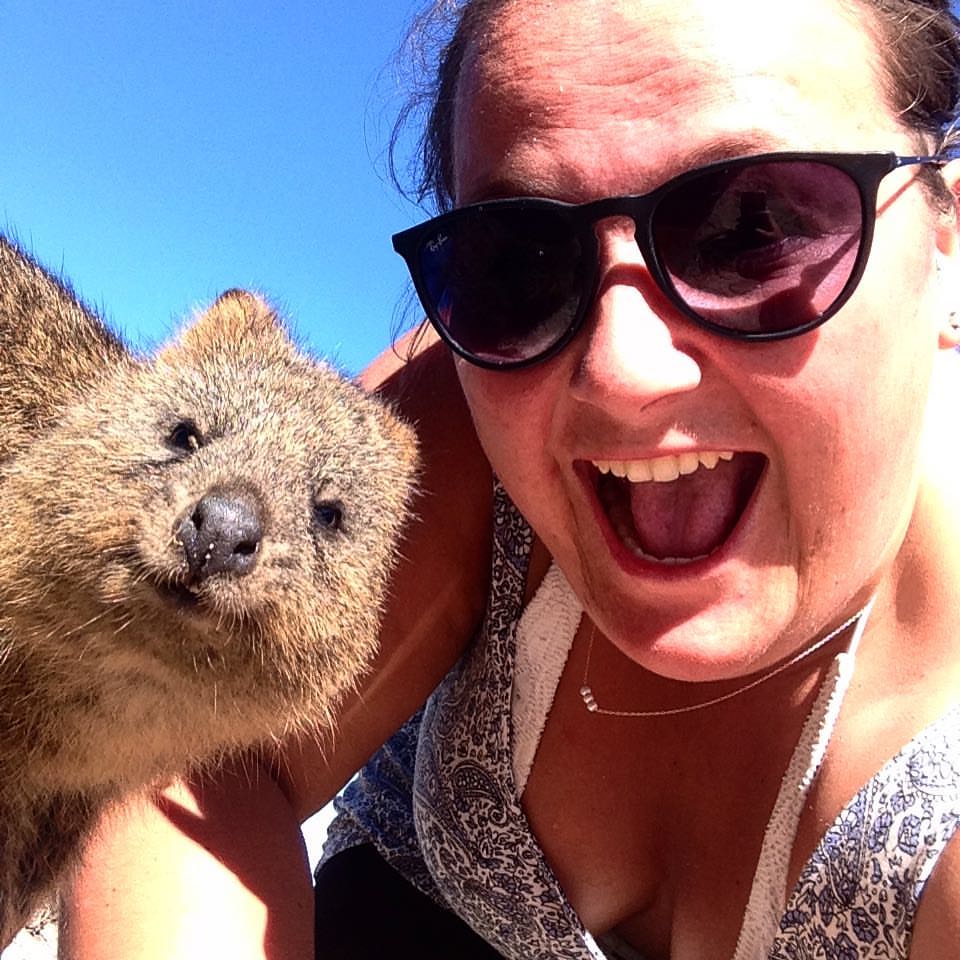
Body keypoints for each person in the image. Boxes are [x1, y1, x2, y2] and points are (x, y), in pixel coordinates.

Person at [60, 0, 960, 957]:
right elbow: (178, 746)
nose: (620, 371)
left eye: (754, 226)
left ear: (946, 249)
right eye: (516, 260)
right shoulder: (464, 397)